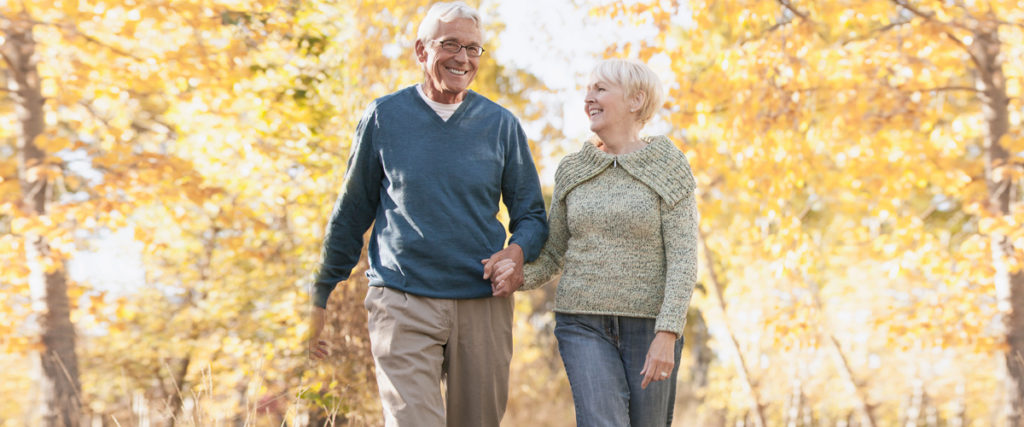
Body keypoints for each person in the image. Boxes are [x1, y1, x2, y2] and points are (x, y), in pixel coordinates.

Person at [306, 2, 548, 426]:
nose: (463, 58)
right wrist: (322, 290)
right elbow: (351, 211)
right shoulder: (384, 117)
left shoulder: (501, 125)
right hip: (402, 299)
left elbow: (531, 214)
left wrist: (518, 252)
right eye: (450, 44)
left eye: (473, 49)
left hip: (482, 302)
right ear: (422, 51)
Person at [487, 59, 699, 427]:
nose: (588, 98)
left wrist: (668, 332)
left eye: (600, 89)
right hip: (582, 322)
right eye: (588, 90)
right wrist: (518, 276)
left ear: (636, 100)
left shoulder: (669, 164)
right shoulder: (574, 168)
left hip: (649, 326)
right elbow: (553, 252)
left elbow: (683, 256)